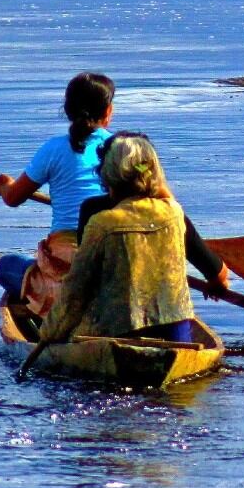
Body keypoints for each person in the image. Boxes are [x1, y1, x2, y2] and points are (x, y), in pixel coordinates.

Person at [40, 134, 200, 345]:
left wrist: (49, 334)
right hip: (176, 333)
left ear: (108, 175)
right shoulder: (174, 212)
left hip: (118, 332)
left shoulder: (102, 223)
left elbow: (76, 290)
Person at [0, 72, 115, 315]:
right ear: (108, 112)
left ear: (68, 111)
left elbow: (13, 198)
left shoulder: (53, 149)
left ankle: (47, 300)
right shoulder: (125, 149)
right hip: (114, 252)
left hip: (66, 258)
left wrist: (4, 185)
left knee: (6, 266)